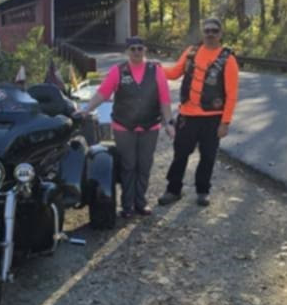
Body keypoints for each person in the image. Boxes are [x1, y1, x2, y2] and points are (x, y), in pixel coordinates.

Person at [81, 36, 174, 218]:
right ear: (127, 51)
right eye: (133, 49)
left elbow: (164, 99)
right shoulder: (118, 71)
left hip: (150, 126)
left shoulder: (156, 71)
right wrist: (86, 110)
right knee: (128, 165)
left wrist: (169, 123)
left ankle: (141, 202)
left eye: (140, 48)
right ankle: (127, 205)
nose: (136, 52)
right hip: (124, 127)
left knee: (144, 165)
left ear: (145, 50)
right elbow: (102, 93)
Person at [158, 17, 239, 207]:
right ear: (203, 33)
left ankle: (203, 191)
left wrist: (225, 122)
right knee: (180, 154)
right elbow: (174, 73)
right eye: (207, 30)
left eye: (214, 31)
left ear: (220, 34)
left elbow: (232, 95)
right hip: (187, 116)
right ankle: (173, 190)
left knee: (208, 156)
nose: (210, 34)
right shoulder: (191, 52)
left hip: (212, 118)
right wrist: (154, 68)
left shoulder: (228, 59)